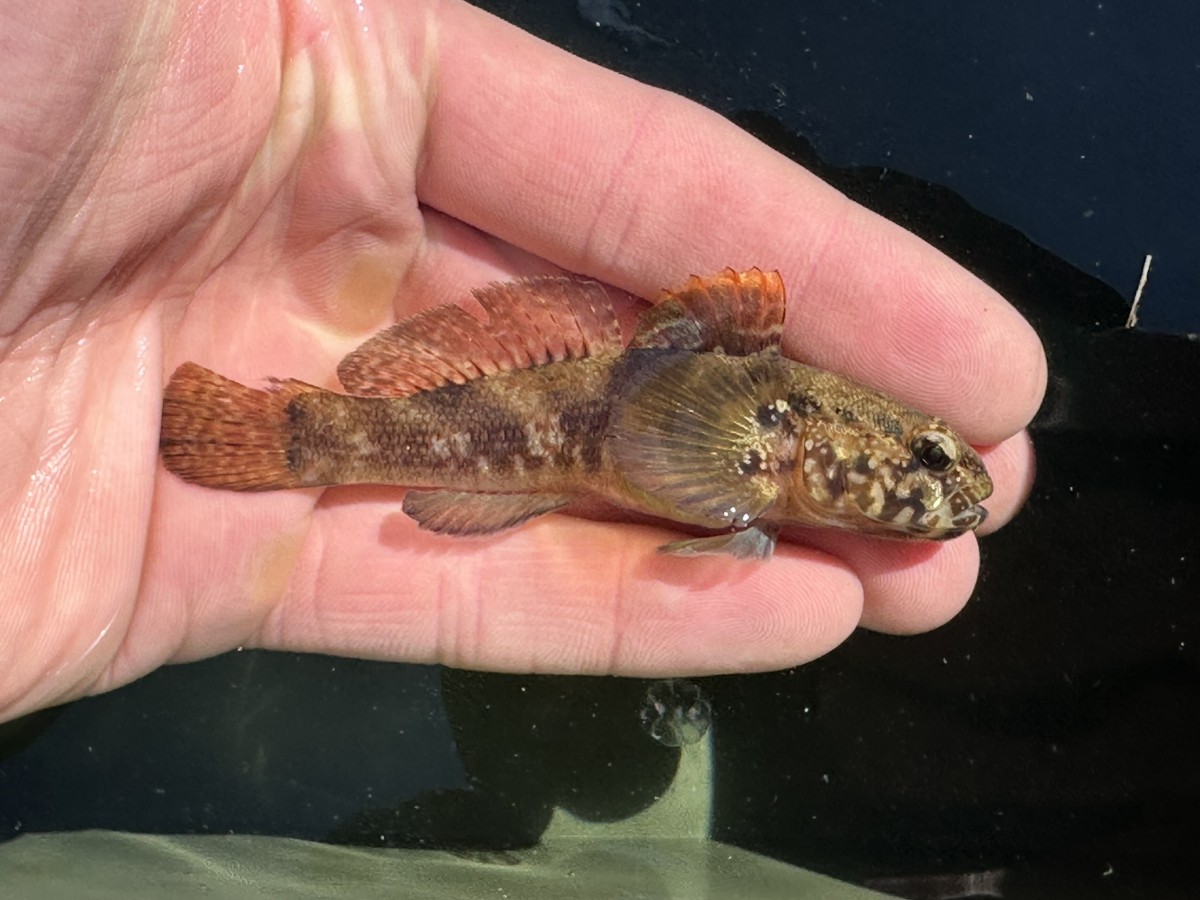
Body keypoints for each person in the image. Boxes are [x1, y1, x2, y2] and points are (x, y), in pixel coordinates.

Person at [0, 0, 1044, 724]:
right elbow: (666, 435)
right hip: (538, 420)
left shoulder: (767, 458)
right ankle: (296, 432)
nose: (943, 482)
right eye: (925, 451)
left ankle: (299, 436)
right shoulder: (750, 444)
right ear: (838, 437)